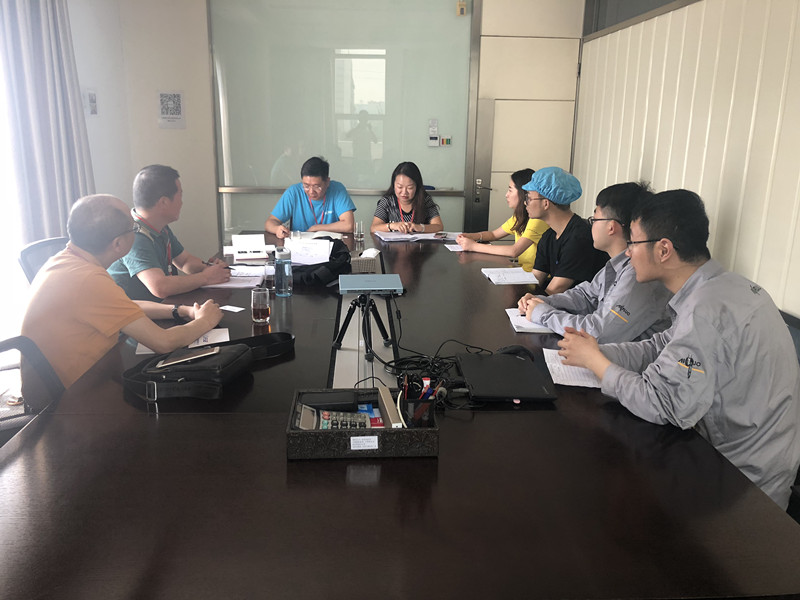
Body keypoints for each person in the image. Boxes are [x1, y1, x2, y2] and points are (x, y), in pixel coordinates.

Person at [557, 189, 800, 508]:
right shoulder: (727, 286)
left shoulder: (706, 309)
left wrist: (597, 364)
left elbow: (662, 403)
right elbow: (662, 345)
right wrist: (598, 353)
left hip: (744, 483)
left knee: (602, 484)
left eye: (634, 243)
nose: (628, 252)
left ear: (663, 250)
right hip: (741, 456)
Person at [22, 194, 224, 389]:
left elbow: (125, 306)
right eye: (133, 228)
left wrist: (181, 310)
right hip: (76, 398)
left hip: (69, 383)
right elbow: (163, 342)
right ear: (118, 243)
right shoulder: (89, 280)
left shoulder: (65, 261)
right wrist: (205, 321)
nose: (136, 231)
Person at [517, 182, 672, 342]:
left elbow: (598, 333)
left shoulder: (638, 274)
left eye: (594, 219)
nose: (590, 226)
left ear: (611, 227)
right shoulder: (616, 264)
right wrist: (544, 301)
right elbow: (586, 295)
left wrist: (543, 313)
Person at [108, 165, 231, 301]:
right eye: (180, 196)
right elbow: (160, 287)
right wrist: (205, 277)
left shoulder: (158, 226)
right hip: (136, 312)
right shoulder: (134, 236)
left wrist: (211, 269)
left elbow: (184, 261)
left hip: (161, 305)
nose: (182, 202)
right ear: (164, 202)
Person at [522, 166, 607, 295]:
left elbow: (556, 289)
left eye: (528, 198)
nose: (525, 203)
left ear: (546, 203)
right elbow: (536, 278)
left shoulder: (579, 237)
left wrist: (530, 302)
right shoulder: (549, 236)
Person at [455, 169, 549, 271]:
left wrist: (473, 246)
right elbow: (494, 235)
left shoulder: (537, 219)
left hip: (534, 277)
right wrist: (471, 236)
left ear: (523, 193)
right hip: (523, 272)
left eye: (510, 190)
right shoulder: (520, 216)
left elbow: (514, 251)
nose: (506, 195)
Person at [265, 156, 356, 239]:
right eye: (306, 186)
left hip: (332, 246)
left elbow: (349, 225)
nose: (311, 191)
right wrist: (277, 229)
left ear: (327, 182)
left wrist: (317, 228)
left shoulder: (337, 190)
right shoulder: (293, 192)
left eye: (316, 186)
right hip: (300, 246)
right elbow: (270, 222)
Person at [371, 161, 444, 234]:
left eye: (410, 188)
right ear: (393, 185)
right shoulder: (387, 201)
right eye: (400, 187)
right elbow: (374, 228)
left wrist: (420, 227)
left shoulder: (425, 200)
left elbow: (439, 227)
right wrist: (392, 226)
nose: (404, 192)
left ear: (417, 187)